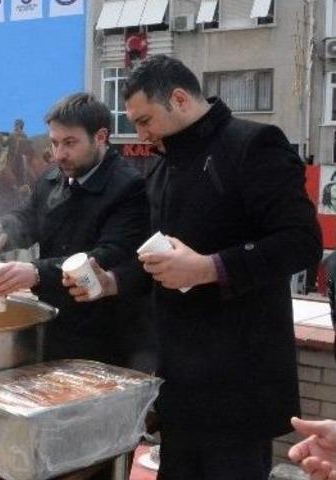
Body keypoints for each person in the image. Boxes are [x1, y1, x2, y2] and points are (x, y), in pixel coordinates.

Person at [65, 55, 322, 479]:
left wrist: (211, 267)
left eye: (146, 121)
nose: (142, 135)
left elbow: (301, 242)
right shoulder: (164, 166)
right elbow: (155, 254)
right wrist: (111, 281)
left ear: (180, 99)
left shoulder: (252, 145)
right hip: (181, 383)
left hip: (239, 381)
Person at [0, 92, 152, 370]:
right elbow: (30, 217)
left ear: (101, 137)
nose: (59, 154)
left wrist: (35, 272)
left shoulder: (128, 187)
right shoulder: (52, 177)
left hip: (104, 333)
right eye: (55, 143)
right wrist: (3, 228)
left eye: (70, 143)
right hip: (54, 321)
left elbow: (110, 254)